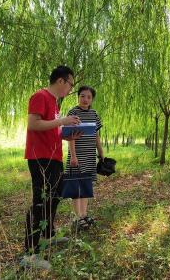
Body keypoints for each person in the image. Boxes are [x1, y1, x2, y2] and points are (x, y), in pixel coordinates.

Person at [21, 65, 82, 269]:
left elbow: (51, 129)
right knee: (40, 201)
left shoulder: (55, 103)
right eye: (70, 84)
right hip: (41, 158)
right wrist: (62, 121)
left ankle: (47, 236)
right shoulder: (40, 96)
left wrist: (67, 132)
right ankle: (30, 254)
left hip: (54, 157)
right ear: (61, 81)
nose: (70, 89)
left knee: (54, 197)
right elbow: (33, 124)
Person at [65, 85, 104, 230]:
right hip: (77, 156)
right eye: (82, 96)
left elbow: (96, 136)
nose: (85, 99)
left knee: (86, 186)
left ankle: (84, 214)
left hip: (89, 155)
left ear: (92, 99)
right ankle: (78, 217)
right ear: (78, 97)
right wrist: (73, 156)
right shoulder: (73, 112)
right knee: (77, 186)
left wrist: (101, 153)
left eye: (88, 97)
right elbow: (70, 136)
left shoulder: (94, 114)